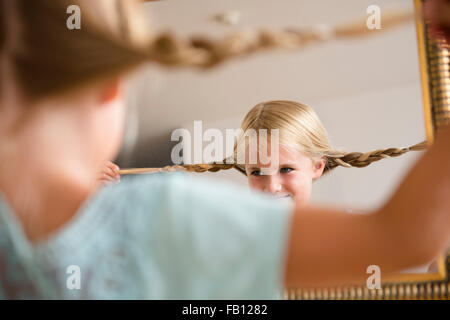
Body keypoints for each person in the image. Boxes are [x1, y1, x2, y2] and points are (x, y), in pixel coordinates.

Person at [0, 0, 449, 299]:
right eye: (255, 171)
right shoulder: (168, 218)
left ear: (319, 165)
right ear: (110, 88)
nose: (270, 185)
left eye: (285, 168)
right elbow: (401, 237)